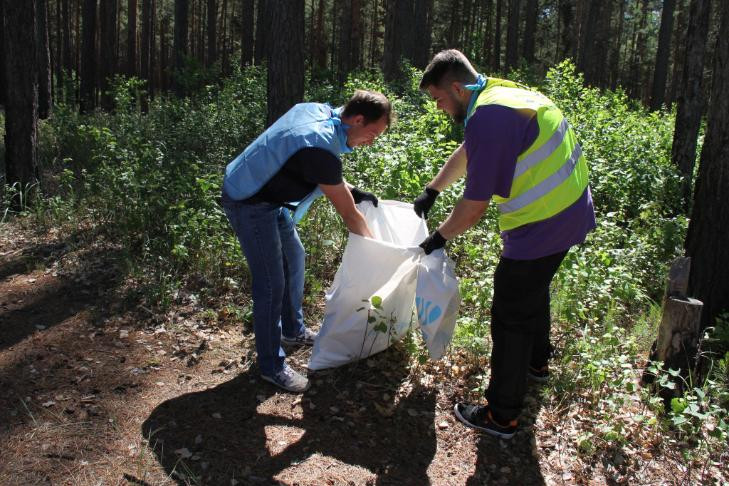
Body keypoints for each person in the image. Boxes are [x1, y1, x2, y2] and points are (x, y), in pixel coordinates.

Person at [414, 50, 596, 439]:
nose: (439, 108)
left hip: (543, 223)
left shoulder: (489, 116)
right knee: (534, 289)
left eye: (439, 99)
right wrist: (433, 189)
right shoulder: (501, 94)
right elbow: (469, 152)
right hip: (571, 209)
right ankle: (537, 364)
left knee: (510, 312)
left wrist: (439, 237)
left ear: (458, 89)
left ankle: (502, 415)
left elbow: (474, 206)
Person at [222, 90, 391, 393]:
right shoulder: (321, 146)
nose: (372, 141)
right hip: (248, 200)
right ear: (357, 118)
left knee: (294, 257)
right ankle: (271, 366)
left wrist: (354, 190)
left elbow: (312, 167)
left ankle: (292, 331)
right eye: (373, 133)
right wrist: (381, 255)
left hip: (271, 198)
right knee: (271, 283)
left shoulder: (321, 112)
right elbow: (350, 216)